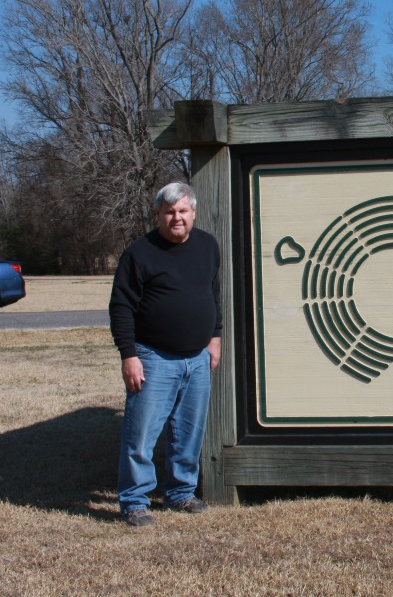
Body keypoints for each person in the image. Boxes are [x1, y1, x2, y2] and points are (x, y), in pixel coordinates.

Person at [109, 182, 222, 527]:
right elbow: (121, 307)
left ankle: (181, 493)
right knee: (141, 434)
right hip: (153, 357)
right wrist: (129, 355)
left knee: (189, 433)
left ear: (193, 213)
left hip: (198, 358)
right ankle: (134, 501)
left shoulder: (207, 245)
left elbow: (213, 294)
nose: (177, 217)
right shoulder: (139, 253)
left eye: (183, 211)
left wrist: (215, 337)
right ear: (158, 214)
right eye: (170, 211)